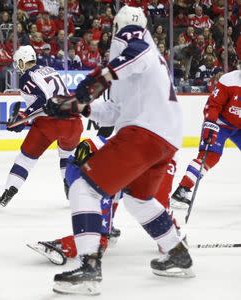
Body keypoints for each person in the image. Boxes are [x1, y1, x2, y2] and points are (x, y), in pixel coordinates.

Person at [44, 6, 193, 295]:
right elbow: (113, 111)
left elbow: (134, 49)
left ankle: (88, 268)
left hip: (145, 132)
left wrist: (87, 88)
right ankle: (177, 253)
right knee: (138, 199)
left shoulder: (134, 40)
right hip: (164, 137)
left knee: (83, 189)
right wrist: (79, 107)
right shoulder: (139, 69)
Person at [28, 135, 180, 265]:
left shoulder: (159, 159)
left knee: (102, 232)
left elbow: (158, 203)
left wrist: (169, 235)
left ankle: (79, 242)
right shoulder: (106, 152)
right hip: (119, 165)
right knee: (108, 193)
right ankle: (106, 230)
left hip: (150, 159)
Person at [0, 45, 83, 211]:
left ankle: (8, 193)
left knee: (26, 158)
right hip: (73, 122)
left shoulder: (26, 76)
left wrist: (22, 117)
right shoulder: (49, 69)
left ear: (22, 61)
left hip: (50, 123)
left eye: (17, 62)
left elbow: (42, 100)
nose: (16, 66)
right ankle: (70, 189)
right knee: (67, 155)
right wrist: (24, 120)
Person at [171, 69, 241, 208]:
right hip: (220, 123)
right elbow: (213, 105)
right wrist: (210, 125)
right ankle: (181, 191)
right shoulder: (229, 80)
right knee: (209, 156)